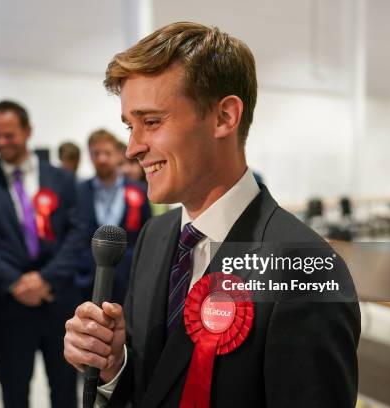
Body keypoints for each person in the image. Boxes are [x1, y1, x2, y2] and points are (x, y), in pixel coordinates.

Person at [64, 22, 360, 407]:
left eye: (151, 122)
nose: (132, 148)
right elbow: (155, 385)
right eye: (130, 126)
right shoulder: (156, 236)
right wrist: (113, 367)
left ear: (224, 117)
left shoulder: (308, 267)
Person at [0, 100, 86, 408]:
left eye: (10, 135)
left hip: (57, 302)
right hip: (6, 306)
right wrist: (17, 283)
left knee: (65, 390)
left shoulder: (62, 179)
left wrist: (45, 280)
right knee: (14, 393)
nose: (3, 142)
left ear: (27, 131)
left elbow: (78, 232)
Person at [76, 130, 151, 304]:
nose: (102, 159)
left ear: (118, 154)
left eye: (107, 153)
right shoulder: (79, 191)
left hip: (128, 280)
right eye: (96, 154)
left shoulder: (138, 190)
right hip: (88, 280)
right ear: (89, 155)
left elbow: (146, 235)